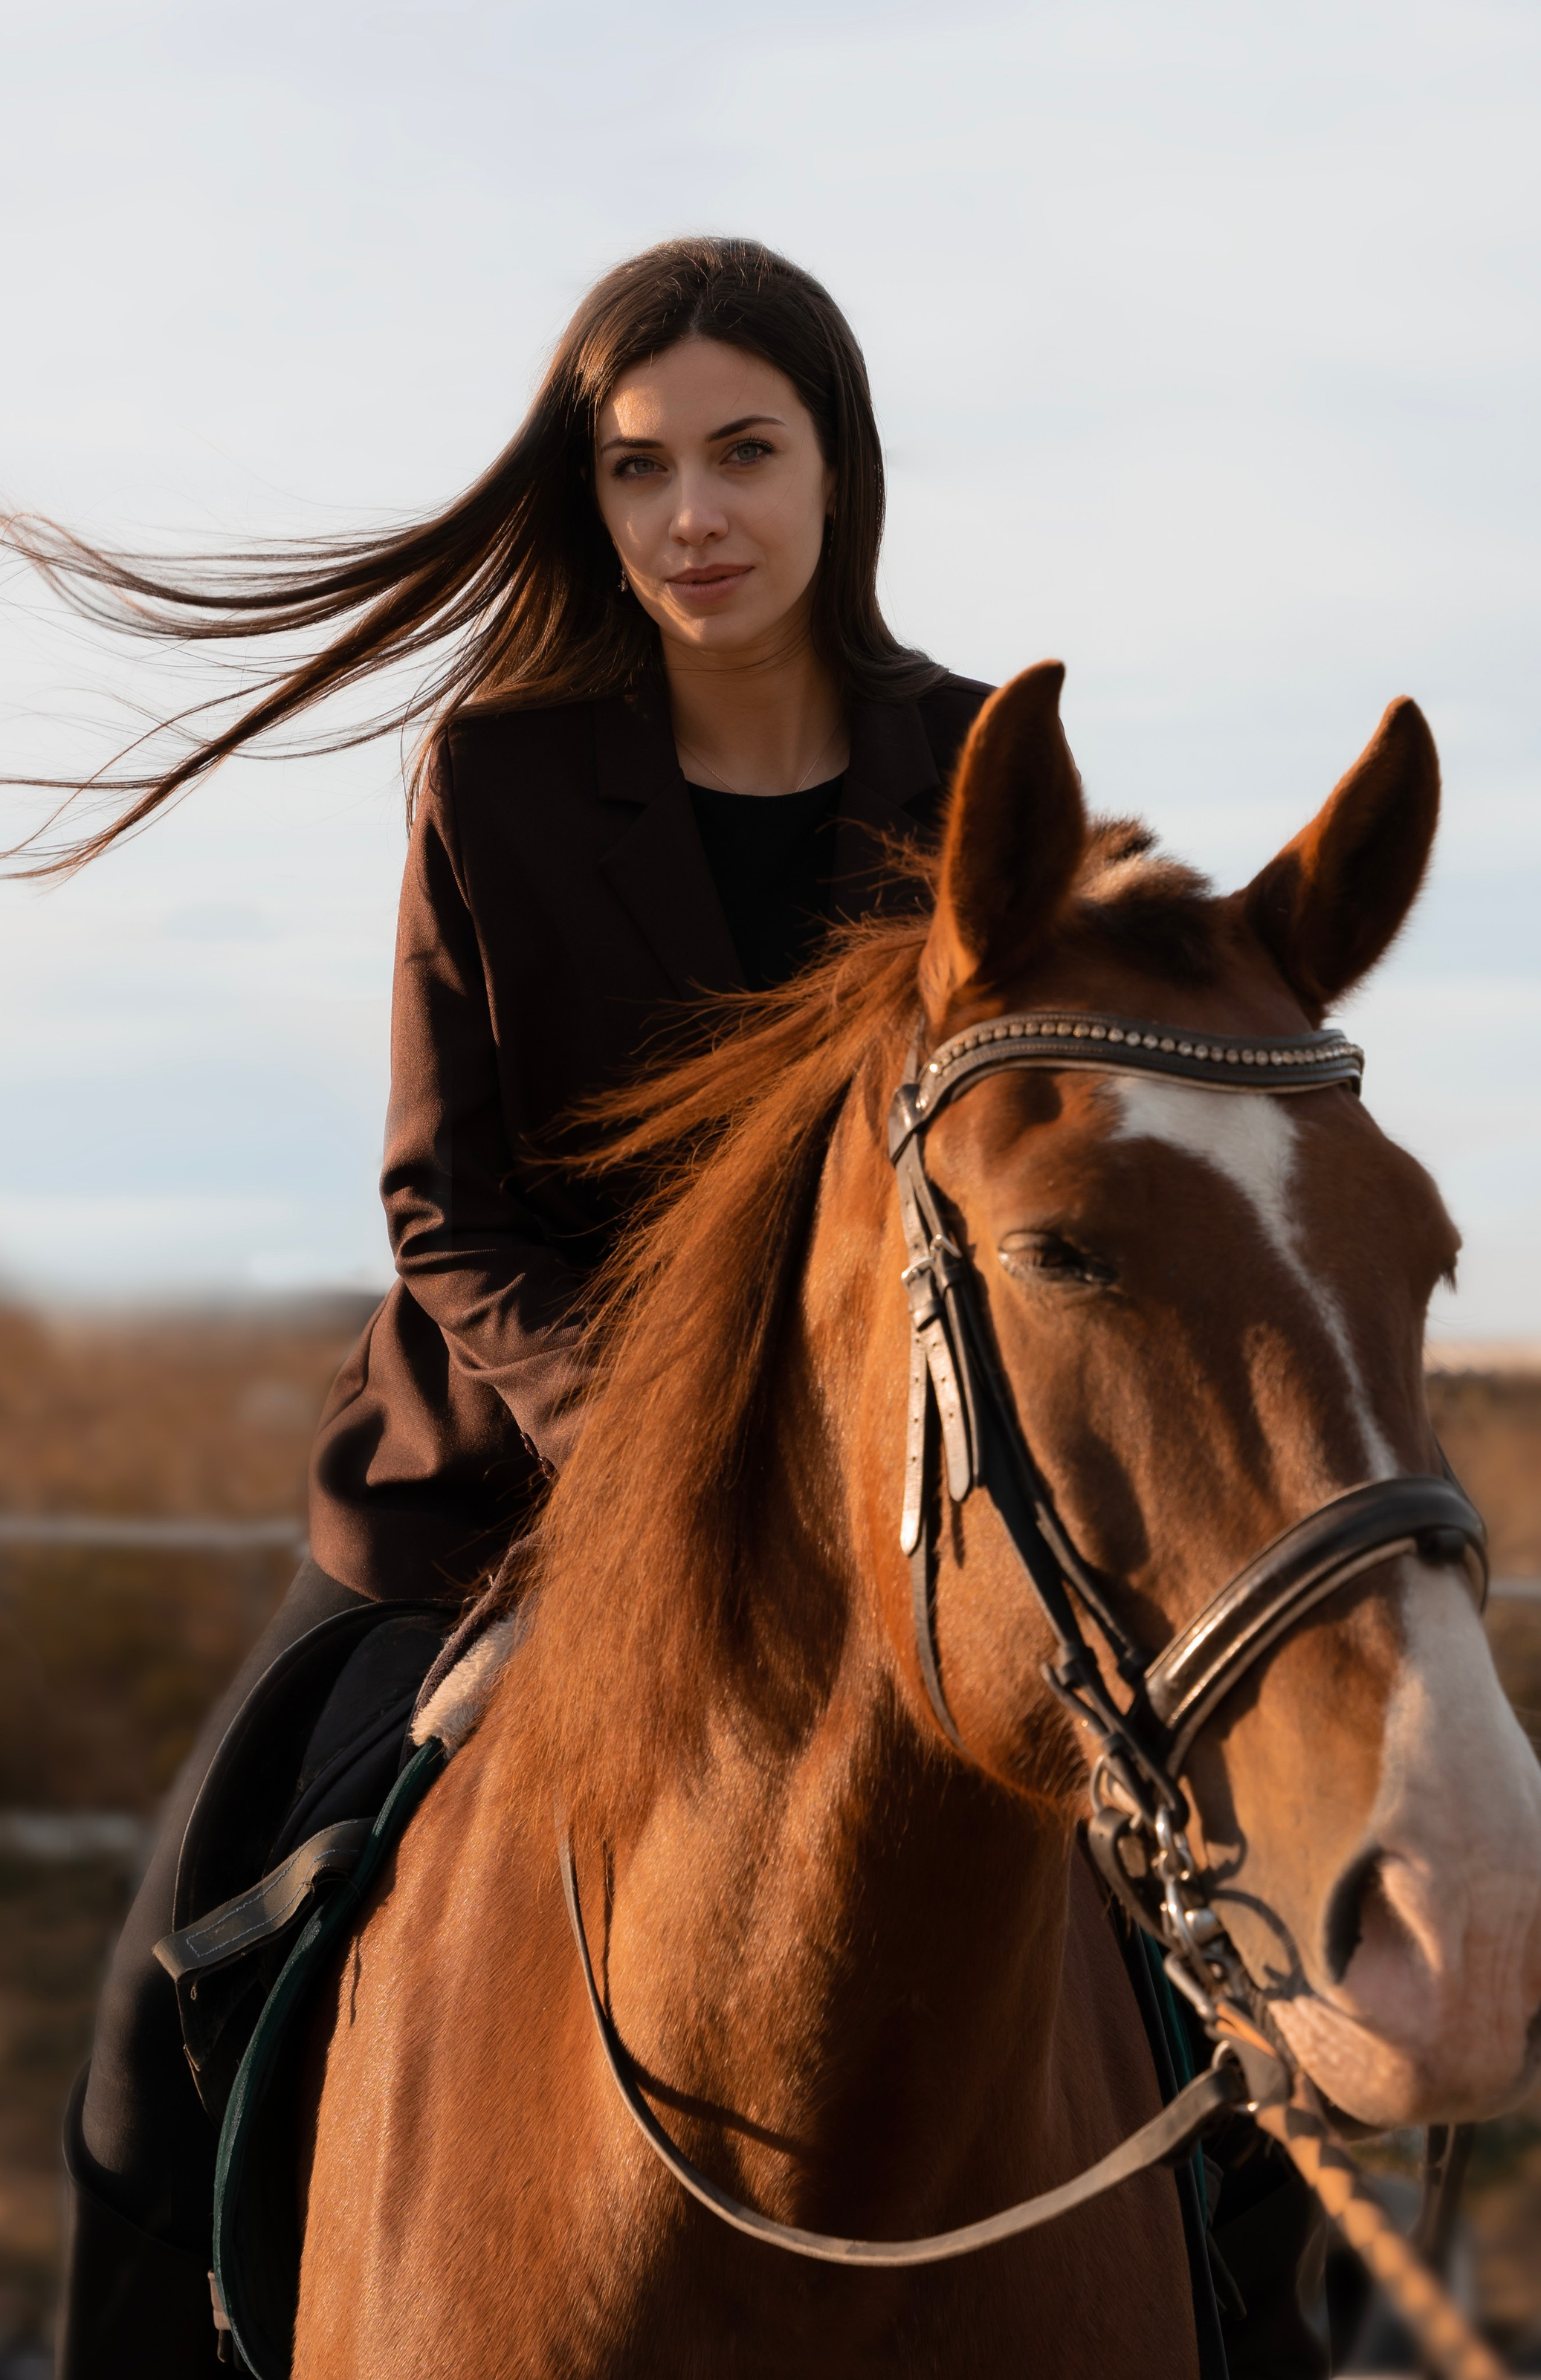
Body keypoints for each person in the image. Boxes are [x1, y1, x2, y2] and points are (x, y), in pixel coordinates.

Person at [8, 236, 990, 2378]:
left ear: (839, 469)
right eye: (638, 471)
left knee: (1204, 1997)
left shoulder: (977, 765)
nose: (693, 516)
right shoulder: (498, 774)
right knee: (138, 2064)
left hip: (902, 1516)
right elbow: (439, 1208)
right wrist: (676, 1439)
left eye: (744, 452)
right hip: (480, 1503)